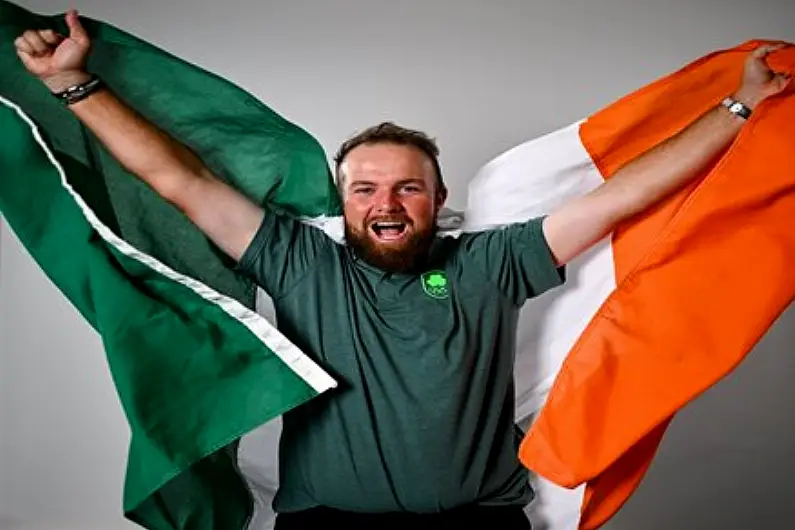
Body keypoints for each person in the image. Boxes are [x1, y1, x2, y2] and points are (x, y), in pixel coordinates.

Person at [13, 10, 791, 530]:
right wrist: (72, 85)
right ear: (345, 200)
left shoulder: (493, 262)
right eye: (365, 187)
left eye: (407, 186)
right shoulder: (295, 258)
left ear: (437, 199)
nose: (386, 201)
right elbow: (178, 180)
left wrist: (739, 110)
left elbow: (624, 196)